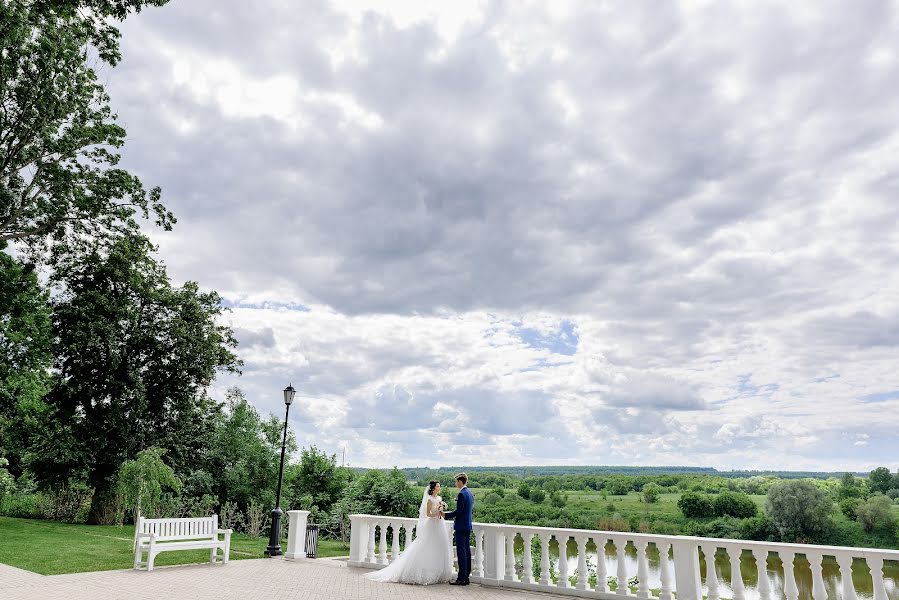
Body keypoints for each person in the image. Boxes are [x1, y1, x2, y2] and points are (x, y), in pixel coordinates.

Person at [365, 480, 453, 585]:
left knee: (439, 546)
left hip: (439, 524)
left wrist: (441, 510)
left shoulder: (439, 498)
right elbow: (428, 514)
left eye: (439, 486)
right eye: (438, 486)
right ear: (433, 488)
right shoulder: (429, 499)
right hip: (432, 524)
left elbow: (438, 510)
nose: (439, 488)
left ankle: (439, 572)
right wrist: (437, 512)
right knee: (426, 546)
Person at [441, 473, 474, 585]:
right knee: (467, 552)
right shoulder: (469, 493)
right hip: (467, 525)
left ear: (460, 481)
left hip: (460, 526)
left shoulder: (462, 494)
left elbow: (458, 512)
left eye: (456, 482)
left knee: (461, 552)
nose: (455, 484)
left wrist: (445, 515)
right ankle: (466, 577)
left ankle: (461, 578)